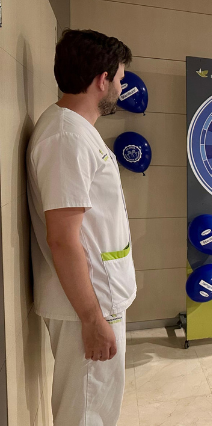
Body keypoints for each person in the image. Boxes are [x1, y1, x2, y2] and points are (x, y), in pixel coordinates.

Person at [27, 29, 135, 425]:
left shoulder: (75, 131)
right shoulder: (66, 137)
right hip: (86, 307)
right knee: (87, 413)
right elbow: (62, 238)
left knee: (97, 407)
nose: (121, 88)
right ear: (102, 80)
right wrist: (92, 319)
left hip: (96, 299)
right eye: (120, 79)